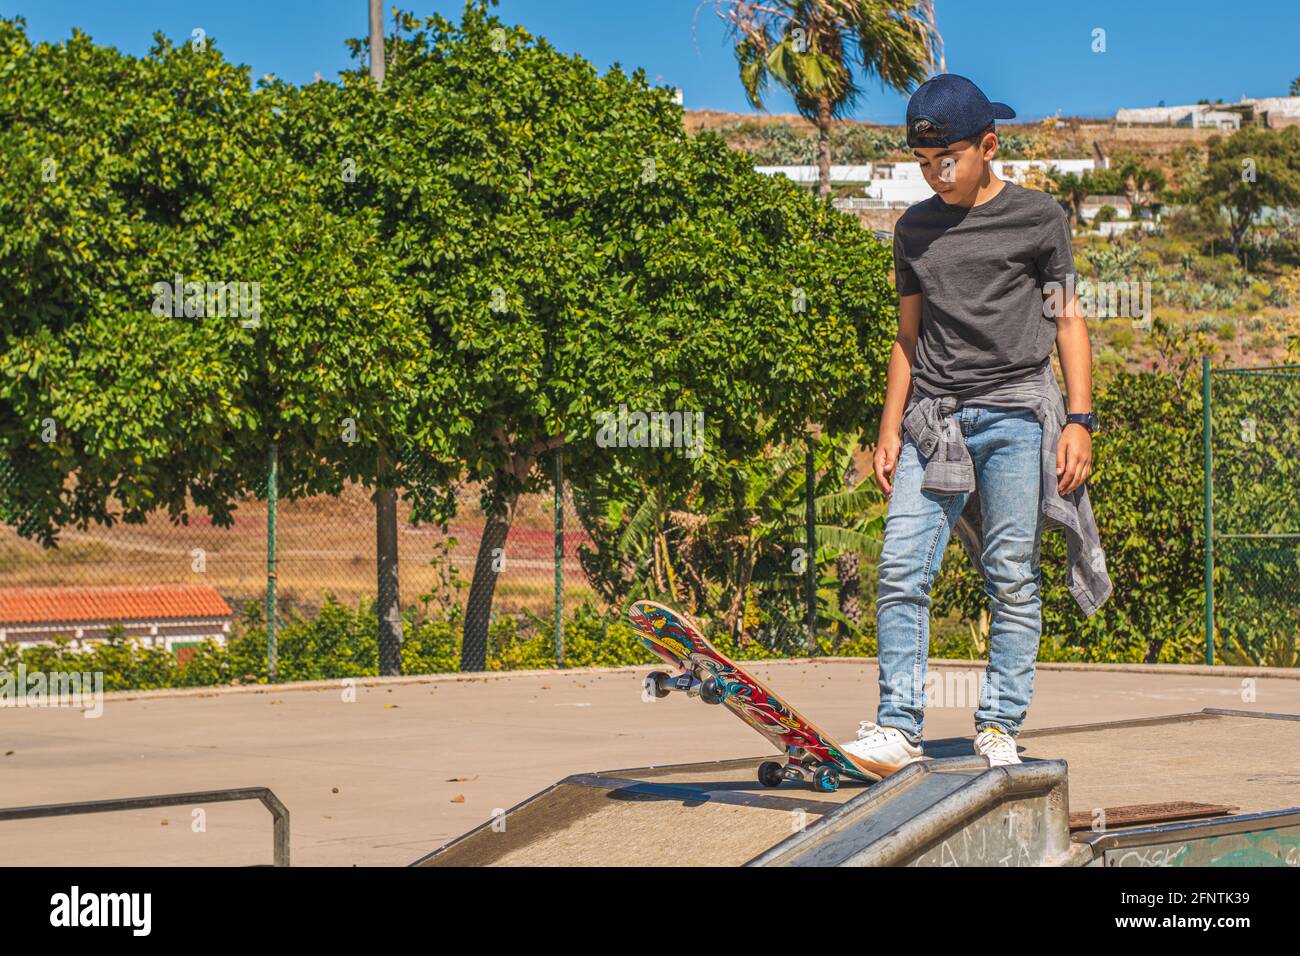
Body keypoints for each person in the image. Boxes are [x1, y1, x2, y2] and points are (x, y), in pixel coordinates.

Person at [841, 74, 1112, 775]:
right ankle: (899, 729)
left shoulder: (1039, 218)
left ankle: (999, 725)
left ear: (988, 146)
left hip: (1018, 417)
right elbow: (907, 338)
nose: (935, 175)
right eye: (922, 164)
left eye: (948, 160)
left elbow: (1068, 320)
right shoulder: (913, 230)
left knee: (1011, 575)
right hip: (936, 422)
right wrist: (888, 428)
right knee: (901, 566)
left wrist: (1079, 420)